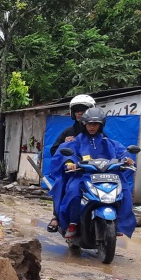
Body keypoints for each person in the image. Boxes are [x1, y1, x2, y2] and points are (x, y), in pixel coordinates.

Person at [54, 106, 137, 240]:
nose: (92, 127)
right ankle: (73, 223)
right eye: (89, 124)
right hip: (83, 176)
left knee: (125, 191)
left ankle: (119, 224)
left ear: (101, 125)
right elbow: (66, 153)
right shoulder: (77, 140)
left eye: (96, 124)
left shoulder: (107, 141)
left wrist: (127, 160)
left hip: (108, 176)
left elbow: (122, 152)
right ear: (84, 124)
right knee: (73, 192)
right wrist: (70, 162)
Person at [45, 94, 95, 232]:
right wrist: (64, 144)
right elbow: (54, 150)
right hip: (73, 173)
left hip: (93, 173)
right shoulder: (69, 132)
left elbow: (110, 149)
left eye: (83, 110)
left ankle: (116, 221)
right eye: (77, 110)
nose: (80, 113)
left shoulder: (99, 134)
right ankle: (56, 217)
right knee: (60, 184)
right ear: (73, 113)